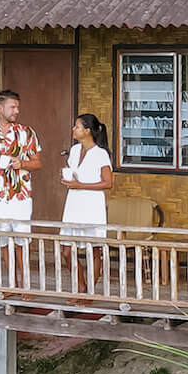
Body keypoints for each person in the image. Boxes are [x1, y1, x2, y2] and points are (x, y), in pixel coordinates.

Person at [0, 90, 43, 281]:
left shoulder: (26, 132)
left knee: (22, 241)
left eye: (18, 107)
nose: (16, 111)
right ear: (0, 107)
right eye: (12, 107)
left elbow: (38, 162)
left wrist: (22, 164)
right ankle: (11, 282)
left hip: (21, 196)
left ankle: (25, 283)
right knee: (2, 242)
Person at [59, 113, 113, 296]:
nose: (73, 129)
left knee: (94, 250)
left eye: (77, 126)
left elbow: (108, 183)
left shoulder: (100, 154)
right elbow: (75, 174)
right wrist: (69, 179)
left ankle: (89, 291)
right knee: (66, 250)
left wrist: (80, 185)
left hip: (92, 206)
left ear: (87, 130)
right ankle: (81, 286)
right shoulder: (74, 151)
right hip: (73, 204)